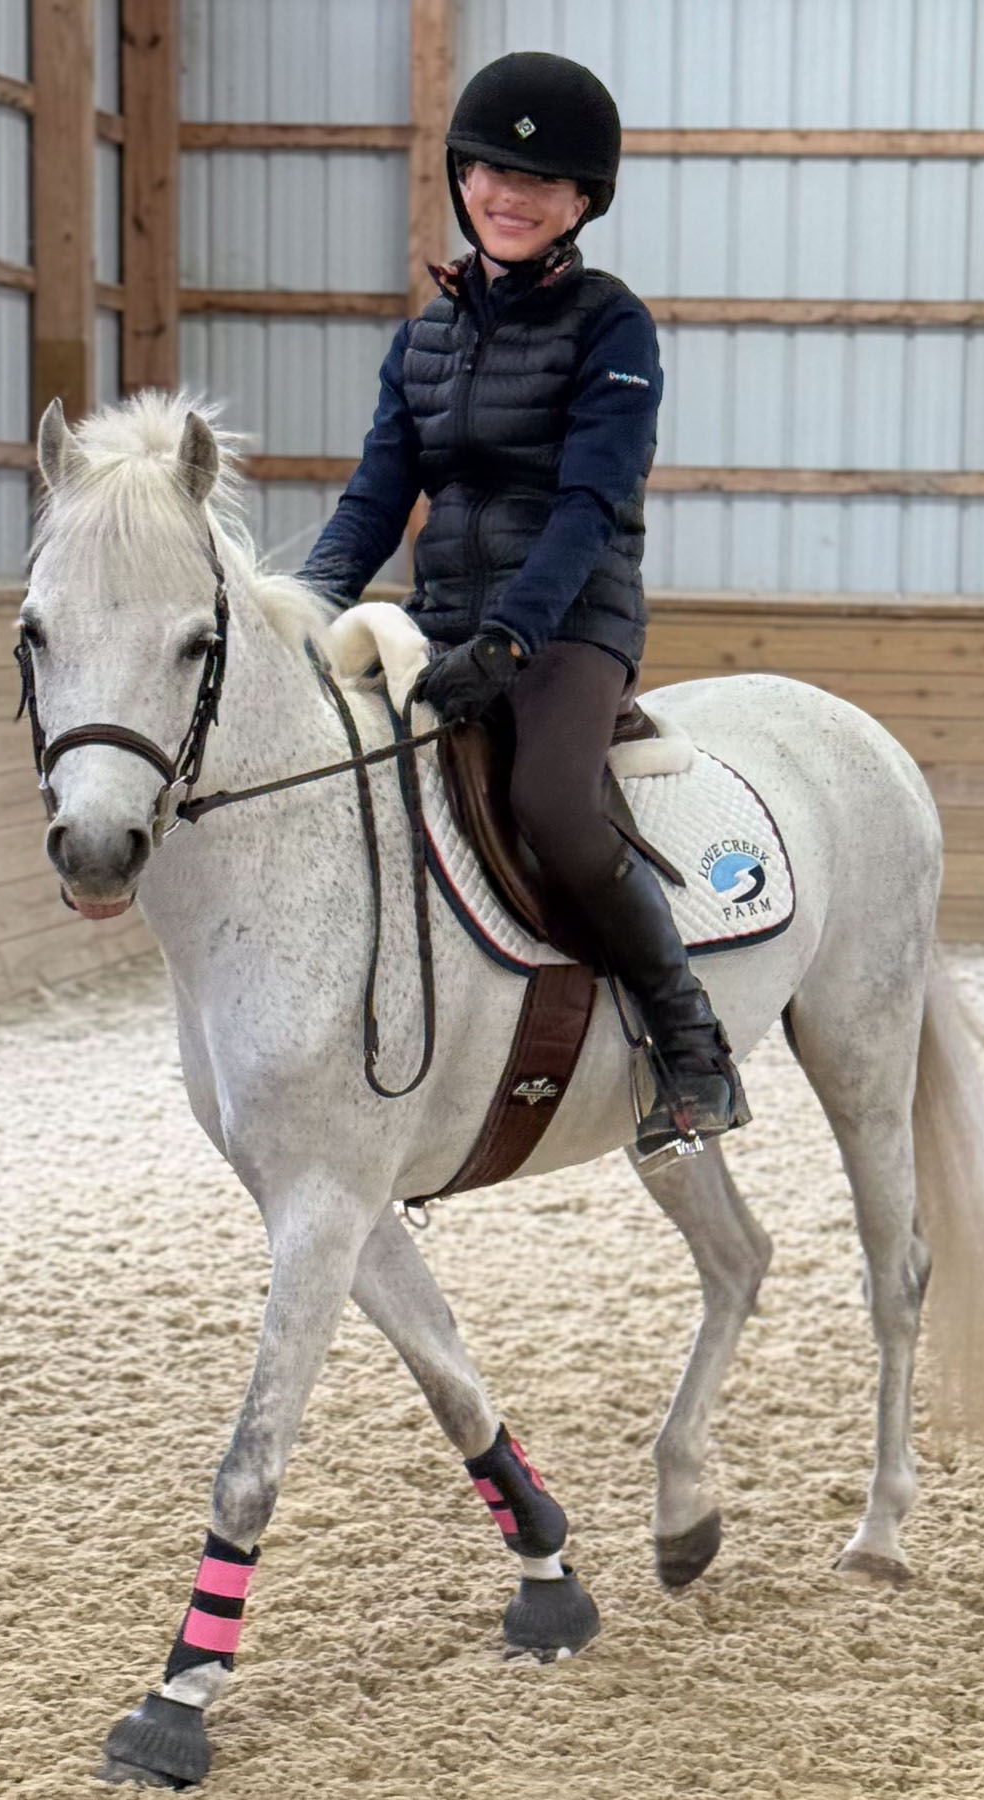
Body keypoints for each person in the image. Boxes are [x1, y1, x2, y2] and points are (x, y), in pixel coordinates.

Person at [300, 51, 745, 1152]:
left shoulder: (612, 327)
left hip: (570, 622)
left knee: (552, 803)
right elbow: (375, 499)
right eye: (493, 171)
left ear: (582, 201)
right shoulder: (425, 338)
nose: (510, 194)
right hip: (442, 618)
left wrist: (510, 639)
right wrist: (302, 611)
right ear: (463, 178)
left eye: (541, 181)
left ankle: (691, 1043)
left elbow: (592, 504)